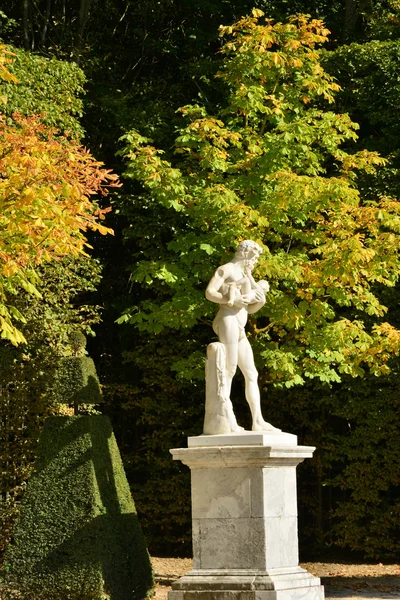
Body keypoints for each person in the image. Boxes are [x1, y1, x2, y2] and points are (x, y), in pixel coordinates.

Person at [205, 240, 280, 432]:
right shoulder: (226, 269)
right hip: (227, 320)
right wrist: (230, 300)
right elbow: (209, 292)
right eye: (254, 257)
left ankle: (257, 421)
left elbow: (249, 308)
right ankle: (227, 418)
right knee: (229, 369)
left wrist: (259, 302)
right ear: (245, 253)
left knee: (251, 373)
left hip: (239, 326)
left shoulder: (246, 276)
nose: (255, 261)